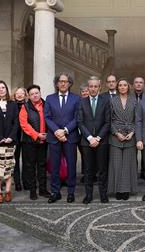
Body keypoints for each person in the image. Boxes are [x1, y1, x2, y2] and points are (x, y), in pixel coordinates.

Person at [44, 72, 81, 203]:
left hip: (70, 137)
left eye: (65, 81)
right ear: (57, 83)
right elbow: (47, 117)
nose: (63, 83)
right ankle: (55, 192)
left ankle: (71, 192)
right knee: (54, 166)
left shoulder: (76, 99)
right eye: (60, 81)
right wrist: (57, 131)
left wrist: (64, 131)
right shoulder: (49, 98)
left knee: (71, 165)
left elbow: (77, 118)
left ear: (70, 84)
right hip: (54, 138)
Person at [77, 76, 111, 204]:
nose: (93, 89)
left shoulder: (105, 101)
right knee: (88, 170)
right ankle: (89, 195)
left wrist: (98, 138)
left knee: (103, 169)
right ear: (88, 87)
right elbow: (80, 122)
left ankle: (103, 194)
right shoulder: (82, 102)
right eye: (91, 86)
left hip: (102, 141)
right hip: (87, 142)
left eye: (95, 86)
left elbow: (108, 122)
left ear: (99, 87)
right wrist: (90, 138)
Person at [108, 78, 138, 200]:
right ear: (117, 87)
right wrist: (116, 133)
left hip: (130, 136)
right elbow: (108, 120)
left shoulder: (134, 101)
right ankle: (117, 190)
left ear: (128, 87)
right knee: (116, 164)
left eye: (125, 85)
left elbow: (138, 119)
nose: (122, 87)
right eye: (120, 85)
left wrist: (132, 132)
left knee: (127, 164)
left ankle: (125, 190)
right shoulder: (112, 101)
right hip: (116, 136)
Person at [19, 84, 50, 200]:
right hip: (29, 142)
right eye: (32, 94)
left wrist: (47, 135)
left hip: (44, 141)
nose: (35, 95)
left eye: (36, 93)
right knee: (30, 166)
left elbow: (51, 119)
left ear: (40, 93)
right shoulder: (25, 107)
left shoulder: (47, 105)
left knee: (42, 166)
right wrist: (37, 135)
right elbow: (24, 124)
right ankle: (33, 190)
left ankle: (43, 189)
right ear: (29, 96)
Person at [11, 87, 28, 191]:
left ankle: (26, 181)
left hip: (27, 136)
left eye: (22, 93)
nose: (20, 95)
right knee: (15, 160)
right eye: (17, 93)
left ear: (25, 94)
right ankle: (17, 182)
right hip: (15, 136)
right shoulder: (11, 106)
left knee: (27, 160)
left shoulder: (28, 105)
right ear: (14, 95)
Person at [133, 76, 145, 179]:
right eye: (136, 82)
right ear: (133, 85)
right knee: (133, 154)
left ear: (144, 85)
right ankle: (133, 173)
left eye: (140, 82)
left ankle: (144, 172)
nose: (138, 84)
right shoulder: (128, 96)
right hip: (131, 130)